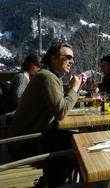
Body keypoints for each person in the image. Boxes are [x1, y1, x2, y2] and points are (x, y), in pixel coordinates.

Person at [9, 42, 86, 187]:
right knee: (79, 147)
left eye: (73, 58)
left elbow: (57, 102)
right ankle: (52, 183)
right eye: (68, 57)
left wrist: (72, 88)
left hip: (30, 136)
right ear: (53, 58)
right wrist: (75, 88)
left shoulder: (48, 76)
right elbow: (61, 112)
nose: (72, 61)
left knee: (75, 139)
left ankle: (49, 182)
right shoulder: (47, 77)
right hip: (26, 143)